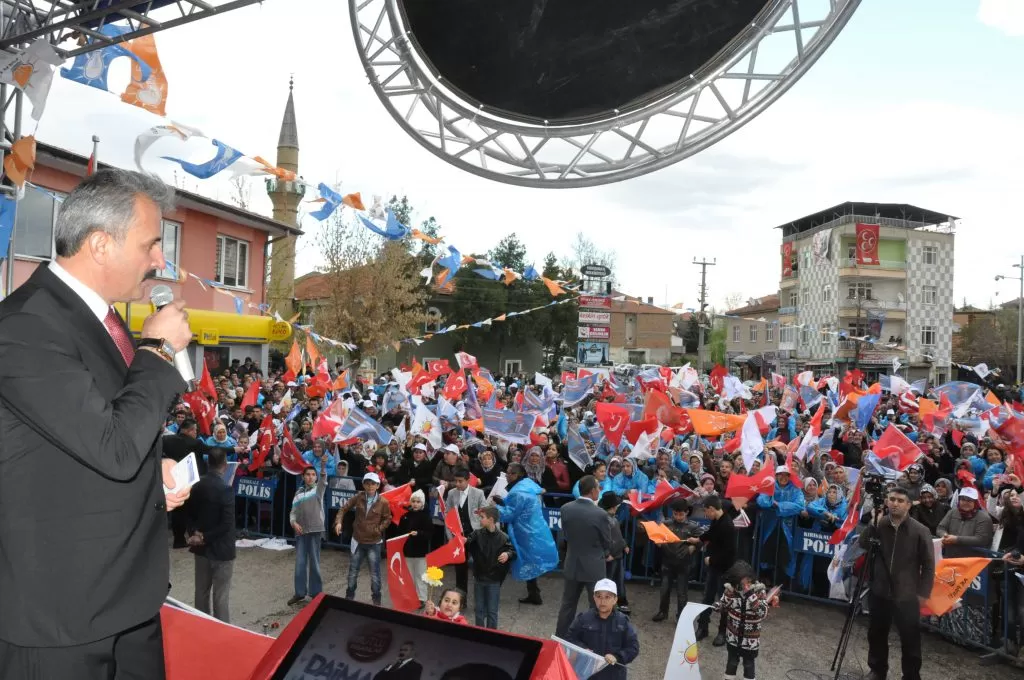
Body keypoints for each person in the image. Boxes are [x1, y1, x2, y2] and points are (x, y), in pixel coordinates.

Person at [0, 169, 193, 678]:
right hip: (59, 621)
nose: (160, 261)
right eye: (151, 244)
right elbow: (113, 446)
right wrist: (157, 350)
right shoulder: (26, 325)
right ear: (102, 244)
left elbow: (89, 439)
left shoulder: (102, 320)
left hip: (126, 602)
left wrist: (154, 473)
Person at [859, 486, 935, 680]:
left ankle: (911, 675)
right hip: (880, 590)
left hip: (907, 595)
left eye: (900, 501)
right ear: (886, 502)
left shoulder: (920, 531)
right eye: (892, 499)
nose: (895, 503)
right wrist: (873, 524)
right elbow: (863, 543)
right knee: (876, 634)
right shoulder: (880, 524)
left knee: (910, 639)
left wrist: (924, 593)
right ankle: (877, 670)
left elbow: (928, 565)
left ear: (908, 505)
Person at [556, 474, 614, 637]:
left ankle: (560, 639)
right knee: (597, 605)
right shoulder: (600, 514)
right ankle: (593, 640)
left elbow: (566, 534)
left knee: (567, 605)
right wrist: (605, 552)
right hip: (594, 567)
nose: (599, 490)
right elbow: (607, 541)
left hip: (572, 563)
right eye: (598, 487)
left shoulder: (565, 508)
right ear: (593, 490)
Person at [495, 463, 559, 605]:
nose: (506, 475)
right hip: (534, 529)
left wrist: (495, 508)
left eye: (509, 473)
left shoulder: (516, 492)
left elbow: (509, 514)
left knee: (504, 560)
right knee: (529, 561)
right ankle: (534, 594)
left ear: (516, 475)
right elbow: (522, 504)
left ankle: (491, 593)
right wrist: (503, 502)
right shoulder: (527, 484)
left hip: (523, 532)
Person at [187, 447, 237, 623]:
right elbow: (227, 523)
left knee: (201, 592)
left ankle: (201, 627)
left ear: (208, 463)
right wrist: (204, 537)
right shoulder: (226, 489)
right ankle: (221, 631)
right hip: (221, 549)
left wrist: (195, 534)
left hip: (200, 547)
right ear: (225, 465)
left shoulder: (196, 485)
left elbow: (188, 513)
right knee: (220, 596)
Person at [710, 560, 779, 680]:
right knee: (731, 663)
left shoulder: (759, 592)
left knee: (748, 665)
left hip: (750, 640)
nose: (745, 584)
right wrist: (718, 606)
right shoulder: (730, 591)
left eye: (747, 580)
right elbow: (724, 605)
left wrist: (751, 596)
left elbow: (763, 613)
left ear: (751, 578)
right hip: (733, 637)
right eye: (741, 582)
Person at [564, 578, 639, 680]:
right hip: (588, 674)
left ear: (615, 599)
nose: (602, 601)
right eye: (599, 596)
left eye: (607, 597)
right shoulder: (583, 618)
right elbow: (570, 638)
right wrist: (583, 649)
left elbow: (633, 647)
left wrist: (617, 657)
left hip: (614, 676)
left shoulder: (623, 621)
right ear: (594, 598)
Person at [336, 472, 392, 605]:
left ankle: (376, 600)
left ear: (378, 485)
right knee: (353, 571)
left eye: (373, 484)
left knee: (375, 574)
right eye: (367, 483)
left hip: (374, 543)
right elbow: (343, 508)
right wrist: (338, 522)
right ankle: (349, 597)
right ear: (363, 485)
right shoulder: (359, 497)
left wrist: (378, 529)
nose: (370, 486)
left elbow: (388, 518)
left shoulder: (383, 502)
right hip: (357, 540)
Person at [697, 494, 742, 645]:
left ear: (711, 509)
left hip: (725, 569)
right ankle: (703, 627)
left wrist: (712, 559)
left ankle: (722, 632)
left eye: (706, 511)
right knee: (707, 597)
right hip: (714, 568)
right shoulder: (716, 520)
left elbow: (730, 552)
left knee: (724, 601)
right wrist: (699, 539)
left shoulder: (727, 525)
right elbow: (711, 534)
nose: (706, 515)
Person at [465, 505, 516, 628]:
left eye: (482, 517)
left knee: (492, 612)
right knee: (479, 611)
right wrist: (464, 541)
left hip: (494, 580)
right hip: (479, 578)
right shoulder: (476, 534)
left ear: (491, 520)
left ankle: (492, 635)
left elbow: (513, 551)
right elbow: (467, 543)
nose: (480, 519)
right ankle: (479, 634)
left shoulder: (503, 537)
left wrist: (507, 554)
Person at [288, 454, 329, 606]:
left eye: (313, 475)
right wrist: (293, 523)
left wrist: (323, 466)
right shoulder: (298, 493)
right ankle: (299, 593)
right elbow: (293, 512)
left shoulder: (318, 490)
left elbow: (323, 479)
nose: (310, 477)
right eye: (308, 475)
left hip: (315, 530)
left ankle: (316, 593)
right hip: (300, 532)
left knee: (314, 563)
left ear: (316, 477)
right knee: (300, 563)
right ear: (303, 477)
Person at [653, 498, 702, 622]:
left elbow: (702, 540)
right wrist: (658, 542)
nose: (678, 517)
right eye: (675, 514)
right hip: (667, 561)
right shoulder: (666, 524)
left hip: (684, 563)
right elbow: (656, 536)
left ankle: (681, 616)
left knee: (682, 592)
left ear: (686, 512)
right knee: (664, 589)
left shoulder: (693, 526)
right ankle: (663, 612)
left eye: (681, 514)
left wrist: (693, 547)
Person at [445, 468, 486, 592]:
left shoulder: (478, 493)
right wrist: (450, 536)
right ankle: (461, 596)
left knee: (479, 565)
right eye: (455, 481)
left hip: (474, 534)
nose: (457, 484)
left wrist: (481, 531)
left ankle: (480, 595)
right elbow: (447, 514)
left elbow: (484, 512)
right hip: (458, 535)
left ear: (468, 480)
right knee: (459, 567)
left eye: (460, 481)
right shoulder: (451, 493)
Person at [398, 490, 434, 607]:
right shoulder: (405, 516)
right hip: (407, 551)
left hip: (420, 552)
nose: (415, 504)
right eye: (413, 501)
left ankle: (421, 598)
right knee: (409, 575)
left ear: (422, 503)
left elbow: (429, 534)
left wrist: (418, 533)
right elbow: (400, 532)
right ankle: (410, 596)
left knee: (421, 575)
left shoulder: (426, 517)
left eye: (418, 502)